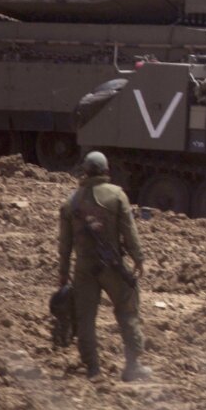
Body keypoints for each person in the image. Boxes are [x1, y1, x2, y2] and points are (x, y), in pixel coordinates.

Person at [56, 152, 150, 382]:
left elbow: (64, 243)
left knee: (85, 318)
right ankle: (132, 366)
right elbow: (129, 231)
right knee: (127, 309)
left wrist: (63, 272)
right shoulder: (117, 196)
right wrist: (138, 258)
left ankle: (93, 369)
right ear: (106, 170)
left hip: (84, 269)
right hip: (113, 267)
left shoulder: (71, 203)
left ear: (85, 172)